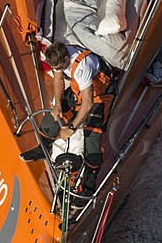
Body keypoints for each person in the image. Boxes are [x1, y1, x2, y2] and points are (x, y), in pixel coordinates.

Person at [37, 41, 110, 197]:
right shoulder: (58, 58)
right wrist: (57, 104)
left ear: (66, 59)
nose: (57, 70)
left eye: (59, 68)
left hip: (98, 95)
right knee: (54, 116)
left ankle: (88, 186)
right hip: (79, 90)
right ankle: (42, 147)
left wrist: (71, 128)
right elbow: (58, 79)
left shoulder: (82, 68)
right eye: (54, 68)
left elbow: (88, 104)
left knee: (93, 139)